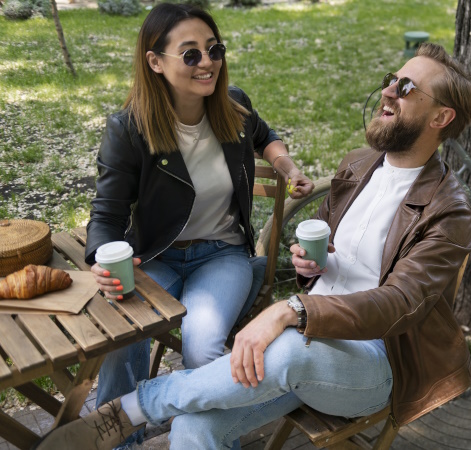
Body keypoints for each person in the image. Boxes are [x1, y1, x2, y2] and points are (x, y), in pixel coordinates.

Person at [36, 42, 471, 450]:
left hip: (374, 362)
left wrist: (293, 309)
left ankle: (129, 410)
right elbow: (326, 240)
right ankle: (144, 412)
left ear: (440, 118)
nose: (387, 92)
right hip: (305, 342)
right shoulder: (360, 164)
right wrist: (310, 264)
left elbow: (399, 302)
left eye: (405, 87)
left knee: (286, 348)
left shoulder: (448, 211)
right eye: (390, 79)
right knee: (194, 427)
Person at [82, 3, 313, 448]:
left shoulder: (234, 105)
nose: (206, 63)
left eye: (213, 50)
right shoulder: (129, 129)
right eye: (190, 54)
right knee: (120, 338)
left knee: (202, 347)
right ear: (155, 61)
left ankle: (203, 437)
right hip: (155, 257)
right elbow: (106, 214)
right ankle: (117, 442)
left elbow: (264, 135)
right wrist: (101, 260)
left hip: (222, 255)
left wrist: (286, 167)